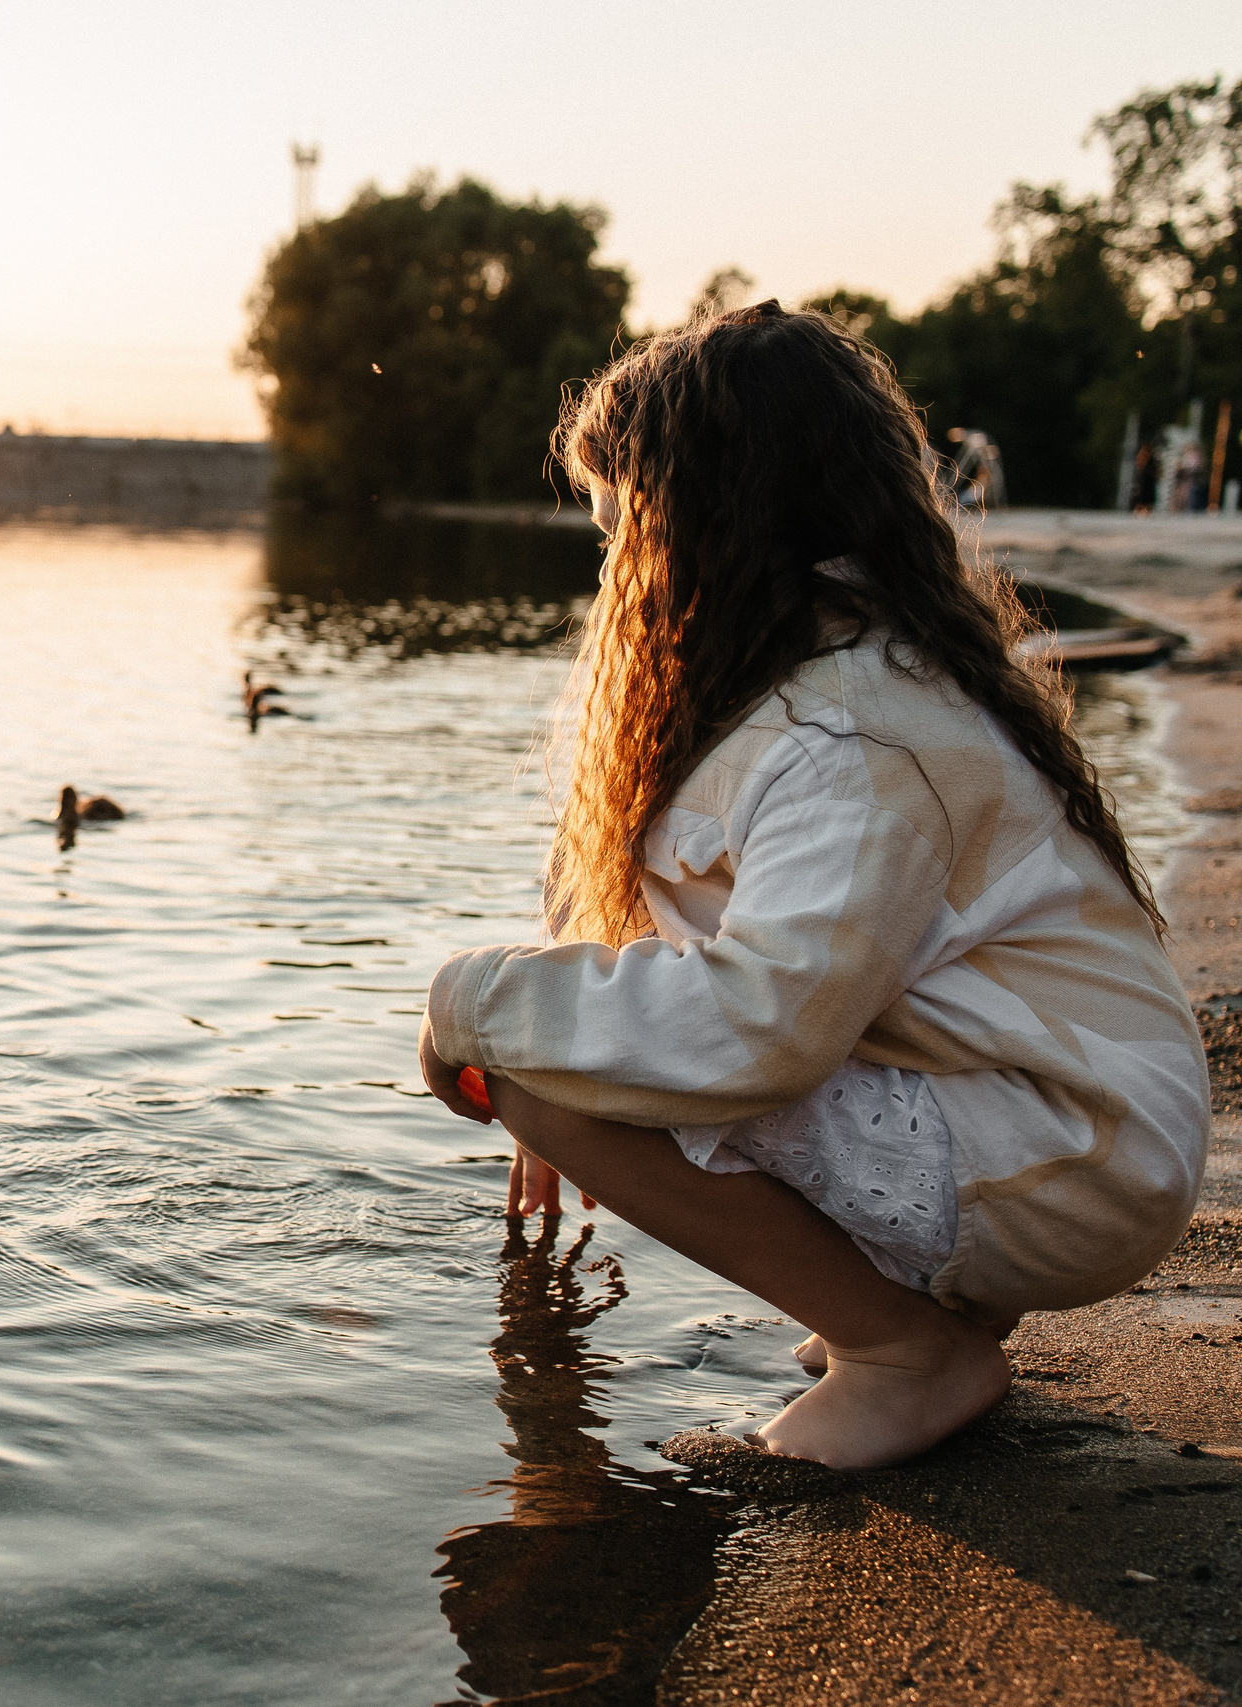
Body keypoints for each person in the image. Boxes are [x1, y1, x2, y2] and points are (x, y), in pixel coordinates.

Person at [416, 302, 1207, 1471]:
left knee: (545, 1062)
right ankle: (938, 1311)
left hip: (1073, 1162)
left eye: (616, 534)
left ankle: (903, 1351)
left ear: (699, 531)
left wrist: (477, 1012)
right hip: (1063, 1122)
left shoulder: (853, 741)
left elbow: (759, 1027)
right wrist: (566, 1015)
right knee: (573, 1042)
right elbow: (665, 900)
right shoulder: (845, 675)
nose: (612, 575)